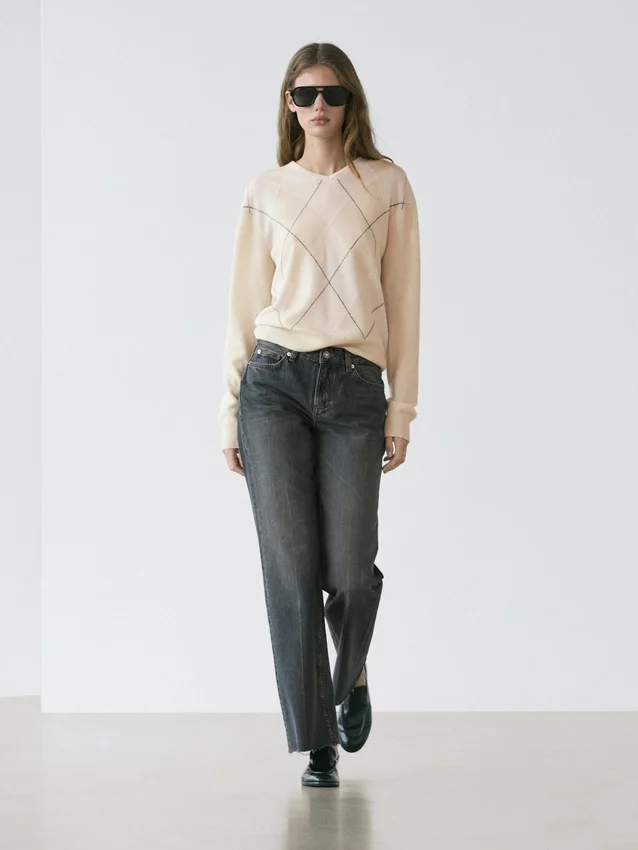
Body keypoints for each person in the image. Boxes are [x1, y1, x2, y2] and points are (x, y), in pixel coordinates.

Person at [218, 42, 421, 788]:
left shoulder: (386, 184)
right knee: (291, 571)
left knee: (349, 570)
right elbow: (244, 305)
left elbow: (405, 301)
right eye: (304, 94)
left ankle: (352, 669)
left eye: (331, 93)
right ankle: (318, 745)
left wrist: (402, 408)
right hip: (273, 386)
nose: (318, 106)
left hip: (355, 388)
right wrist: (229, 411)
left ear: (350, 101)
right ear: (289, 104)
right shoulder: (266, 190)